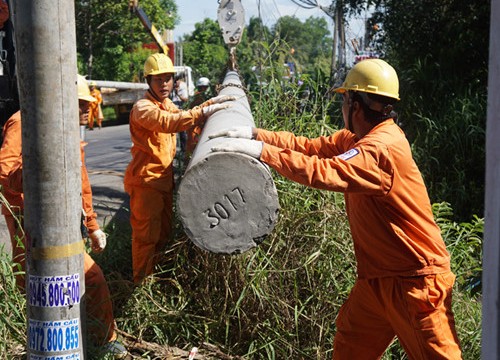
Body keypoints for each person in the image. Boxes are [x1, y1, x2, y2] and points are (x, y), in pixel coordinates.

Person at [210, 59, 462, 359]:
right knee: (350, 346)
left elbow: (325, 171)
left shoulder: (380, 149)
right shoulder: (357, 139)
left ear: (355, 104)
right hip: (376, 279)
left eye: (344, 99)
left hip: (415, 281)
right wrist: (257, 136)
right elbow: (312, 148)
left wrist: (264, 153)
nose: (342, 107)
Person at [0, 74, 128, 358]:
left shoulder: (67, 131)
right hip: (29, 224)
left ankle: (98, 339)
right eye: (81, 105)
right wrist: (41, 164)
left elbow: (80, 183)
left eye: (87, 105)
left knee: (85, 280)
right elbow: (6, 175)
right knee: (35, 285)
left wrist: (93, 226)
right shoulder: (24, 122)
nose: (86, 111)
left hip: (63, 225)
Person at [123, 53, 233, 285]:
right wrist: (203, 112)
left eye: (167, 79)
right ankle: (141, 288)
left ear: (173, 80)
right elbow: (169, 122)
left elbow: (180, 115)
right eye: (158, 79)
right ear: (148, 82)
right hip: (146, 183)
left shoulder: (166, 104)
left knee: (162, 234)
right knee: (146, 239)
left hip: (161, 182)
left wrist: (212, 103)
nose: (163, 84)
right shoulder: (143, 108)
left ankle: (157, 281)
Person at [185, 76, 212, 159]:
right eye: (202, 88)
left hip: (198, 127)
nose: (203, 89)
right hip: (195, 127)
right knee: (192, 147)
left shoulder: (201, 97)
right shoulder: (198, 98)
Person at [171, 72, 189, 155]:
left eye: (176, 81)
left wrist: (177, 93)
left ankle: (183, 151)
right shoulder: (172, 87)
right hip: (171, 112)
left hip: (180, 110)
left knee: (182, 133)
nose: (175, 83)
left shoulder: (182, 87)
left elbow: (185, 99)